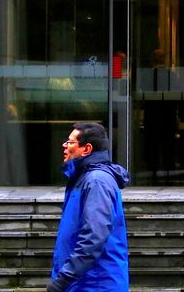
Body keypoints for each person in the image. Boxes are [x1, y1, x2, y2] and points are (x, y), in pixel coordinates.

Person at [48, 122, 130, 292]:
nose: (64, 145)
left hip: (94, 284)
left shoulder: (96, 181)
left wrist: (64, 279)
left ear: (86, 149)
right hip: (85, 282)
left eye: (70, 142)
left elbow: (94, 235)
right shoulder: (84, 178)